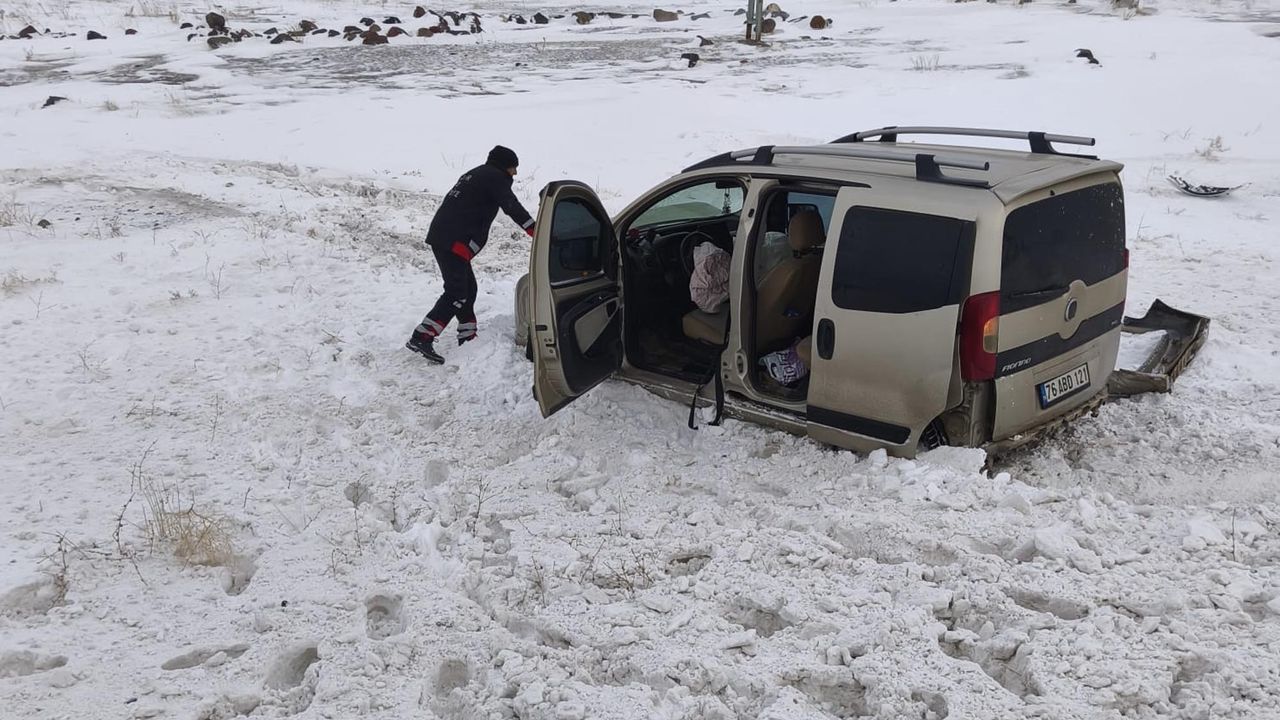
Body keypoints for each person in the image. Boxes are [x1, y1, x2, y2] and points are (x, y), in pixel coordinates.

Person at [406, 145, 535, 363]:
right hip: (454, 240)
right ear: (504, 165)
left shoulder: (477, 174)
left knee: (468, 288)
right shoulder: (495, 177)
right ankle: (422, 336)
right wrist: (535, 229)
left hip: (445, 236)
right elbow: (511, 206)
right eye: (514, 167)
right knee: (457, 292)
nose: (515, 172)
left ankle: (467, 336)